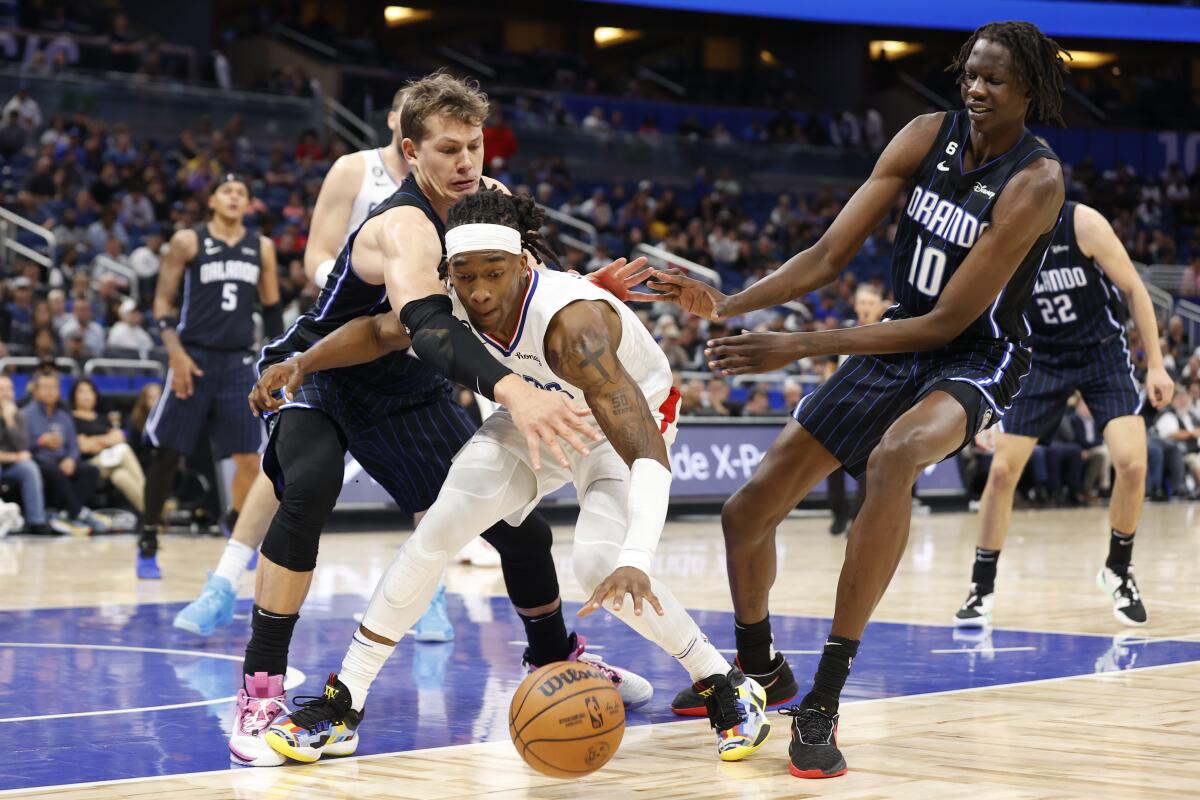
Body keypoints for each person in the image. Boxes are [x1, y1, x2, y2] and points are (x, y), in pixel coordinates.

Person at [645, 21, 1068, 779]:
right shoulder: (922, 135)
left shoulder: (1036, 181)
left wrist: (797, 345)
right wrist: (731, 304)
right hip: (899, 332)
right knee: (746, 512)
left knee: (898, 454)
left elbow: (948, 322)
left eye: (994, 79)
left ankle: (824, 698)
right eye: (969, 74)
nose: (974, 88)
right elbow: (828, 254)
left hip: (977, 351)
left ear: (1028, 90)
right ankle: (762, 674)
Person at [254, 189, 771, 765]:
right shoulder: (457, 297)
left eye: (493, 274)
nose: (478, 291)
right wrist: (302, 362)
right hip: (533, 414)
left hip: (623, 428)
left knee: (601, 565)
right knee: (438, 531)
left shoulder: (574, 327)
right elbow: (379, 333)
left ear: (525, 264)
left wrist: (638, 557)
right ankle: (343, 704)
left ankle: (725, 684)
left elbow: (648, 452)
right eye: (464, 275)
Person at [222, 72, 636, 768]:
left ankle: (556, 663)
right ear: (411, 152)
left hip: (406, 396)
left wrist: (586, 291)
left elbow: (526, 291)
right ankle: (261, 689)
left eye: (474, 146)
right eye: (448, 149)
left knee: (523, 532)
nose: (466, 162)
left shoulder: (492, 209)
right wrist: (513, 391)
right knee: (310, 487)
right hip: (317, 374)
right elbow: (426, 328)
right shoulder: (403, 224)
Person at [173, 85, 466, 639]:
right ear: (397, 124)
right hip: (343, 329)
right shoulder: (354, 169)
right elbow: (315, 254)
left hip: (407, 336)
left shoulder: (453, 185)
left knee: (434, 479)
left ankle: (431, 595)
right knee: (283, 470)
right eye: (409, 108)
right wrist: (365, 282)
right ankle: (222, 581)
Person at [953, 202, 1171, 629]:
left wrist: (1157, 364)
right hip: (1041, 359)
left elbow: (1135, 290)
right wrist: (986, 401)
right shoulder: (1000, 234)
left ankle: (1118, 570)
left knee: (1132, 464)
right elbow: (983, 316)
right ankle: (981, 587)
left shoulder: (1084, 223)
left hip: (1101, 352)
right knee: (1000, 473)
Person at [139, 173, 281, 579]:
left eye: (242, 192)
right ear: (213, 200)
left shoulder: (263, 248)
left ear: (248, 204)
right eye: (227, 191)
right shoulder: (188, 241)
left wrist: (272, 359)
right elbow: (162, 302)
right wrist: (176, 354)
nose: (235, 197)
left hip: (238, 362)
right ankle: (147, 538)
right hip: (193, 358)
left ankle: (235, 521)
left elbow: (271, 309)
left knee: (249, 461)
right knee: (168, 453)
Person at [24, 369, 102, 535]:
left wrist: (71, 460)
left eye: (54, 387)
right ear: (35, 391)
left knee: (91, 471)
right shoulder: (26, 415)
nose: (50, 391)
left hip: (62, 460)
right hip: (40, 461)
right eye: (45, 387)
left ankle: (66, 515)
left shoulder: (64, 416)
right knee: (54, 471)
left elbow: (73, 445)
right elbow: (20, 445)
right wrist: (39, 442)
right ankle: (78, 512)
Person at [70, 378, 145, 514]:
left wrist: (95, 441)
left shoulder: (102, 418)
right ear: (74, 396)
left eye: (90, 391)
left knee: (120, 476)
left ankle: (150, 514)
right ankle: (154, 503)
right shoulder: (71, 418)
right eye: (82, 391)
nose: (87, 395)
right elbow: (83, 446)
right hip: (88, 463)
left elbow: (120, 437)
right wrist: (107, 441)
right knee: (124, 450)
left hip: (111, 462)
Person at [0, 374, 54, 535]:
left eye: (9, 389)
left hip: (11, 465)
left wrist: (9, 420)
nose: (6, 394)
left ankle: (36, 521)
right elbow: (19, 453)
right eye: (1, 390)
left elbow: (22, 446)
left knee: (29, 468)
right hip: (6, 461)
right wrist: (15, 457)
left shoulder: (19, 415)